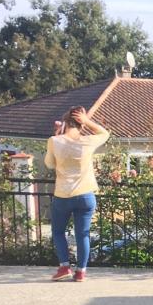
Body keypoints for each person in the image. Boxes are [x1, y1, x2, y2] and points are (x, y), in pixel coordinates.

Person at [44, 106, 109, 281]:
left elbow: (49, 164)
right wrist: (87, 121)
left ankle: (65, 267)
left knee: (58, 232)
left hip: (63, 196)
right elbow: (105, 134)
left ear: (64, 123)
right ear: (80, 124)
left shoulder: (54, 141)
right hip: (85, 195)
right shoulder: (87, 141)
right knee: (83, 234)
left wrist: (57, 135)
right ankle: (81, 272)